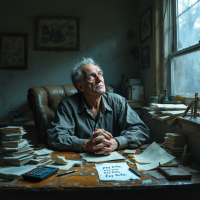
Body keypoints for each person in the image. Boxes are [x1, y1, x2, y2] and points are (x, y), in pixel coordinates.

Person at [47, 58, 149, 155]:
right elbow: (55, 136)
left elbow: (141, 130)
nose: (99, 79)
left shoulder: (118, 102)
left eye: (100, 74)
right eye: (91, 76)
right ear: (80, 86)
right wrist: (86, 144)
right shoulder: (68, 105)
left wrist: (116, 142)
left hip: (114, 160)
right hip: (80, 163)